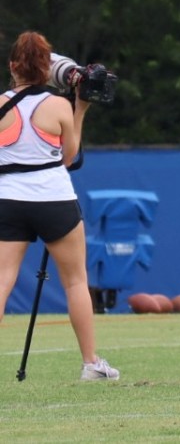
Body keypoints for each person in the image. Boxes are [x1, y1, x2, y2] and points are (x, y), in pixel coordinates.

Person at [0, 31, 119, 380]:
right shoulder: (57, 105)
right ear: (48, 68)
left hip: (7, 198)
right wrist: (80, 108)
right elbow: (69, 156)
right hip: (53, 199)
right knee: (74, 281)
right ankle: (91, 363)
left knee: (2, 278)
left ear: (13, 66)